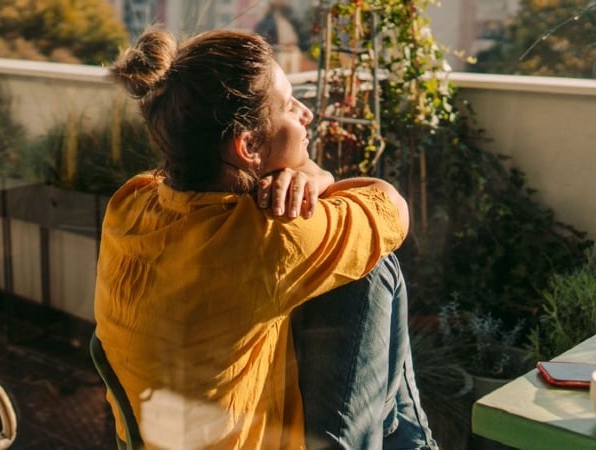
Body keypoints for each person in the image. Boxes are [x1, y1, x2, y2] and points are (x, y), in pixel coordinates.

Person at [94, 28, 436, 450]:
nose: (306, 113)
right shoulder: (269, 239)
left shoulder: (130, 202)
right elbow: (393, 208)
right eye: (290, 107)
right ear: (249, 145)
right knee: (373, 269)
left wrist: (305, 175)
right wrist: (314, 174)